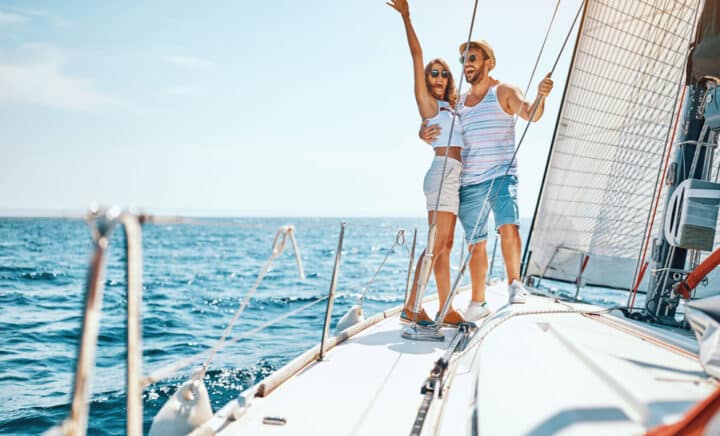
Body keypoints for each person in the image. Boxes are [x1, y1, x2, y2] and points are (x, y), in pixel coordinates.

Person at [420, 40, 553, 320]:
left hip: (501, 174)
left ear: (488, 62)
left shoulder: (503, 91)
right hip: (468, 181)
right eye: (464, 60)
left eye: (473, 58)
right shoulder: (459, 104)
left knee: (508, 226)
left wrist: (542, 96)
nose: (467, 64)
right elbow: (438, 122)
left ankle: (514, 284)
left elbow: (530, 113)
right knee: (475, 243)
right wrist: (423, 131)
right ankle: (478, 302)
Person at [387, 0, 466, 326]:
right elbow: (417, 55)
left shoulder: (452, 110)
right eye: (432, 74)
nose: (438, 77)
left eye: (443, 73)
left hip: (454, 176)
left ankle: (445, 309)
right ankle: (411, 306)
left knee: (445, 244)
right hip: (442, 173)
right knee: (436, 243)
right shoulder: (429, 106)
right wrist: (407, 17)